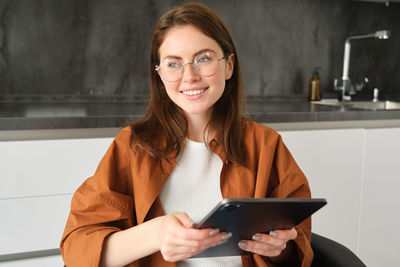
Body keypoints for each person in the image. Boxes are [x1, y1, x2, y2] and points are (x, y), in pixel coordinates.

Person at [60, 2, 313, 267]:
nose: (189, 76)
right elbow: (77, 247)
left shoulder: (266, 144)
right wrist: (154, 234)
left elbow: (299, 247)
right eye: (173, 64)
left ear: (229, 66)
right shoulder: (132, 147)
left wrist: (278, 251)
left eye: (203, 58)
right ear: (159, 75)